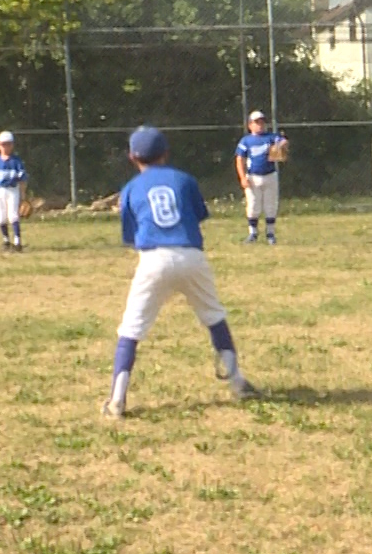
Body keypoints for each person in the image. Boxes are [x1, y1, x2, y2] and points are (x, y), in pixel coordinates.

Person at [104, 126, 259, 421]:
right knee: (214, 316)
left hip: (153, 259)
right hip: (191, 254)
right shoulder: (184, 180)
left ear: (132, 157)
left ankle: (117, 400)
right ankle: (237, 383)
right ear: (165, 153)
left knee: (131, 329)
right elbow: (197, 214)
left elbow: (131, 234)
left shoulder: (130, 189)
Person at [235, 110, 288, 245]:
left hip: (270, 175)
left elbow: (283, 141)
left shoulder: (270, 137)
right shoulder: (246, 140)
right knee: (253, 205)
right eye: (256, 122)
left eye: (262, 122)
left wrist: (281, 144)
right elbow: (240, 159)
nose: (260, 125)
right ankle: (252, 233)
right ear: (250, 125)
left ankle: (270, 233)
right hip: (253, 177)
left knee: (270, 205)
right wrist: (242, 177)